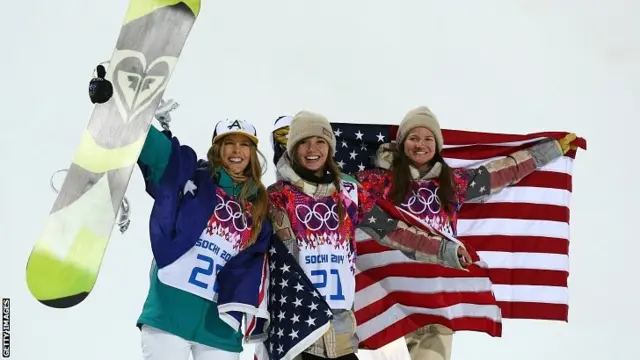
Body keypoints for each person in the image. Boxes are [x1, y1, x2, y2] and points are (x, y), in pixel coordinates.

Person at [353, 106, 578, 360]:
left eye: (428, 139)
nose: (420, 144)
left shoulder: (453, 183)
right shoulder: (373, 182)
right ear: (402, 143)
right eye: (413, 138)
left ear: (437, 145)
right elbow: (327, 189)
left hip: (434, 300)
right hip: (385, 294)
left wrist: (552, 150)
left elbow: (507, 171)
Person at [267, 110, 472, 360]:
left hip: (340, 329)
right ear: (292, 149)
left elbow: (396, 232)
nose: (313, 148)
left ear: (330, 148)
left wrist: (444, 249)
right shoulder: (276, 197)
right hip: (297, 328)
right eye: (303, 142)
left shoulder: (350, 194)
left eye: (320, 141)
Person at [134, 118, 273, 360]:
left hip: (219, 327)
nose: (236, 151)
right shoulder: (194, 178)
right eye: (228, 143)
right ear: (217, 148)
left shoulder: (260, 209)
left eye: (245, 145)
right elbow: (162, 156)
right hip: (170, 313)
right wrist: (130, 118)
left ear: (253, 153)